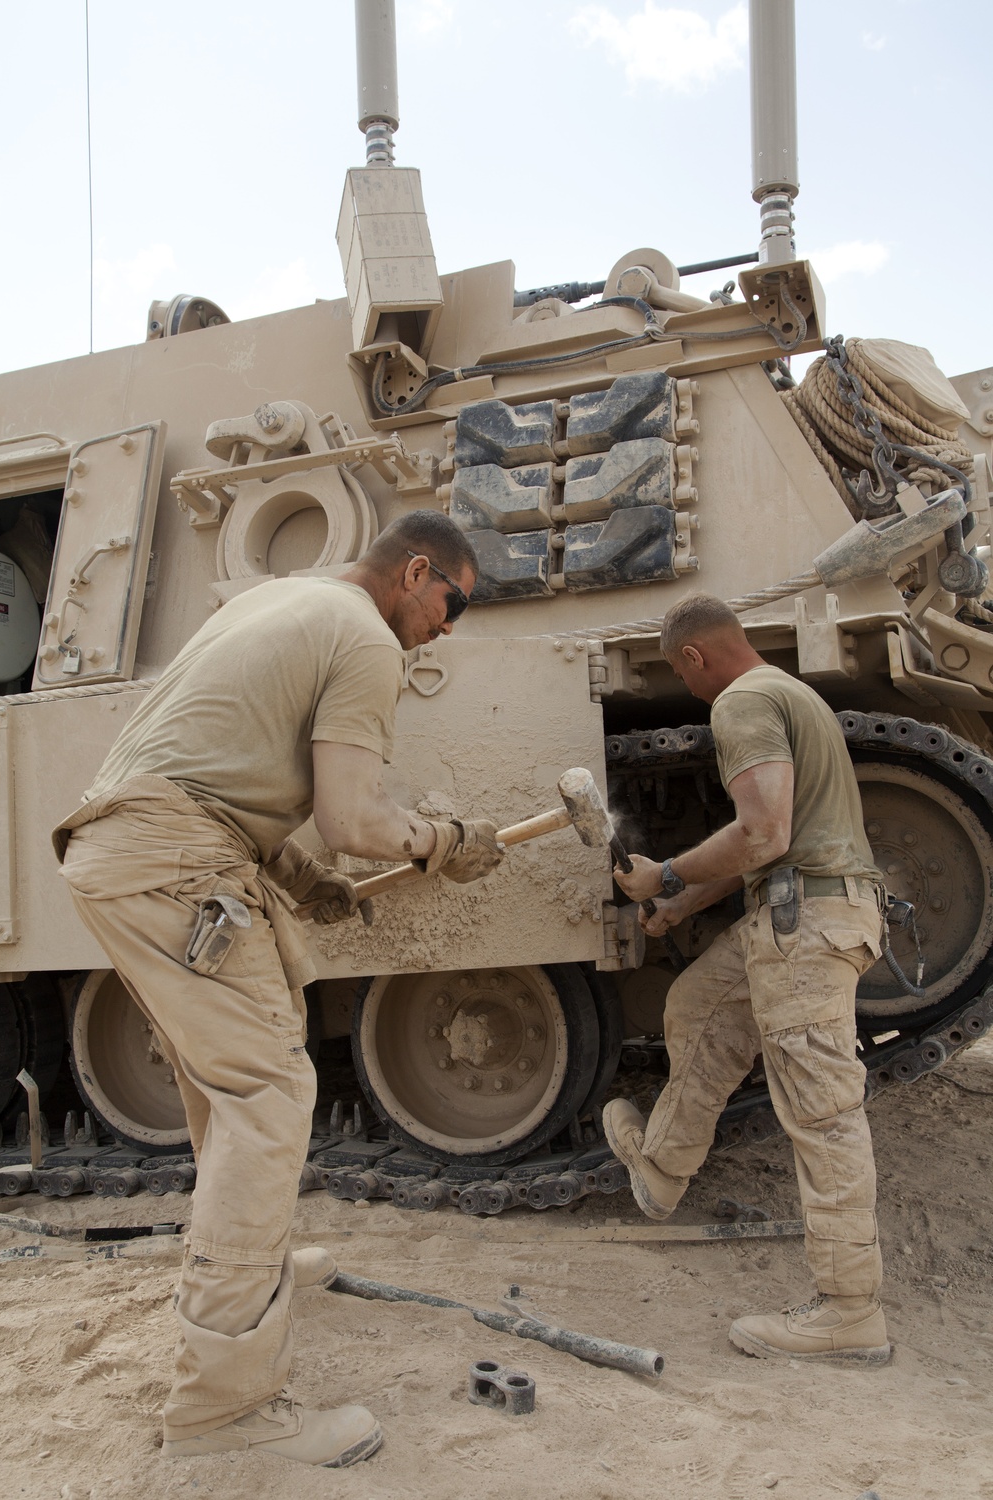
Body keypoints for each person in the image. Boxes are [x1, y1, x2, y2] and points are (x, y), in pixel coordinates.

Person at [53, 511, 503, 1467]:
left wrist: (301, 882)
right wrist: (442, 841)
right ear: (415, 571)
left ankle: (244, 1278)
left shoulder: (276, 603)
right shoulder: (368, 641)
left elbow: (223, 768)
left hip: (118, 847)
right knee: (270, 1093)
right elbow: (353, 816)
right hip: (176, 859)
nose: (450, 626)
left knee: (228, 1089)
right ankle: (224, 1409)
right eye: (452, 602)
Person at [603, 593, 890, 1365]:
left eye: (678, 671)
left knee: (821, 1113)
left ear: (692, 657)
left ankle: (847, 1310)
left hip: (809, 926)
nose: (685, 684)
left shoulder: (741, 702)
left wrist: (662, 868)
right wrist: (680, 898)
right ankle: (662, 1169)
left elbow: (763, 829)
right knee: (698, 1003)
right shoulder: (792, 694)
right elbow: (770, 850)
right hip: (799, 912)